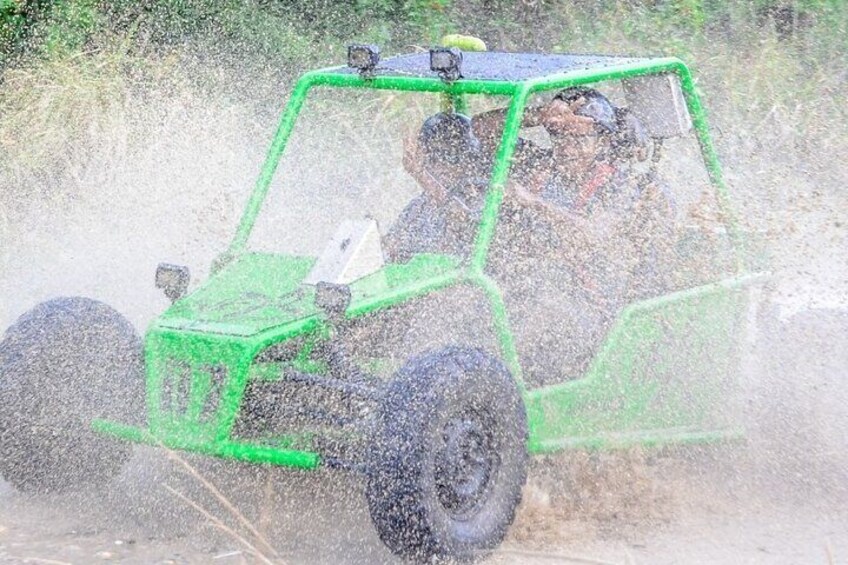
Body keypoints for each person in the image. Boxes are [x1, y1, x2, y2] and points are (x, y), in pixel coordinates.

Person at [383, 112, 488, 262]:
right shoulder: (419, 205)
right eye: (433, 156)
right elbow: (390, 246)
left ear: (470, 159)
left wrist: (420, 175)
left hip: (460, 281)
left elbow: (465, 219)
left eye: (449, 156)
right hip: (410, 280)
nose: (440, 165)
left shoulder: (483, 195)